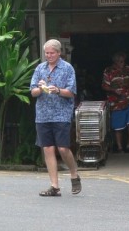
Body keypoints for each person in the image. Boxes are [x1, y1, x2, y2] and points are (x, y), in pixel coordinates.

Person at [31, 39, 82, 197]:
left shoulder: (67, 68)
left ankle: (74, 174)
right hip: (43, 114)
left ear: (59, 53)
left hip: (61, 114)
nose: (49, 55)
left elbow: (71, 92)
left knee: (62, 148)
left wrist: (57, 90)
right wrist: (40, 88)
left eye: (52, 53)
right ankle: (54, 186)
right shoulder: (40, 68)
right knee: (47, 148)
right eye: (47, 53)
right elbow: (32, 91)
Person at [102, 51, 129, 153]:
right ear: (115, 61)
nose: (122, 62)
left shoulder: (128, 69)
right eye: (120, 61)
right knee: (118, 126)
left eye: (123, 60)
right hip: (116, 103)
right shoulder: (109, 70)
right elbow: (104, 86)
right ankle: (119, 147)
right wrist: (114, 90)